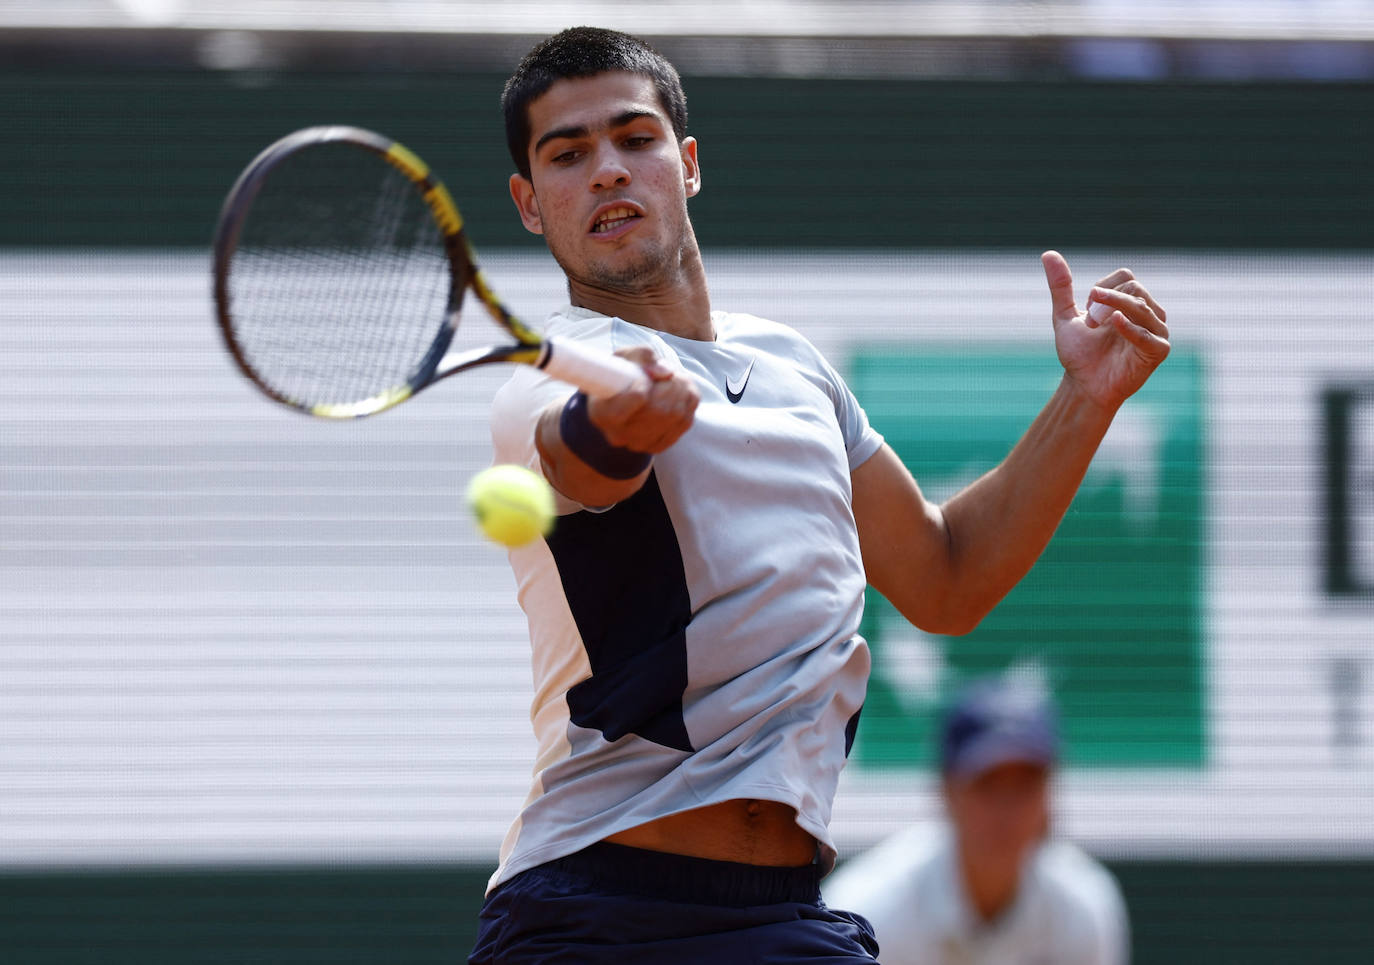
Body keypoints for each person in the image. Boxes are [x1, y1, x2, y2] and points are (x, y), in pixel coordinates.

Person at [470, 25, 1169, 964]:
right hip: (594, 910)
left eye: (634, 140)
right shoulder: (553, 380)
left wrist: (1085, 401)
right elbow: (580, 459)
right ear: (528, 202)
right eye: (568, 153)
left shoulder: (795, 367)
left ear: (686, 164)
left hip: (782, 913)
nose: (606, 170)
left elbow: (948, 577)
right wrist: (625, 425)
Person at [823, 675, 1131, 964]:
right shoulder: (868, 912)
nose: (1008, 809)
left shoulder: (1085, 908)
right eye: (988, 784)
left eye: (1026, 785)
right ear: (947, 791)